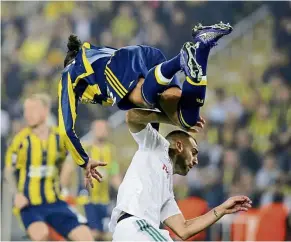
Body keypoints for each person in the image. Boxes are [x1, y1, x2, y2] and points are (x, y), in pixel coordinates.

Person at [58, 22, 233, 185]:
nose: (82, 99)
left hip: (120, 65)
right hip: (146, 60)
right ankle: (202, 46)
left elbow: (66, 130)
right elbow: (149, 115)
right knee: (187, 118)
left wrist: (84, 161)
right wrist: (167, 124)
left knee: (143, 99)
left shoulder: (69, 72)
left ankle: (181, 59)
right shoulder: (96, 58)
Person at [109, 108, 252, 241]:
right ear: (179, 146)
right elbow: (132, 116)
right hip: (136, 227)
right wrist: (177, 120)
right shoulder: (156, 145)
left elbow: (183, 229)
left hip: (133, 232)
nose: (196, 161)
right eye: (194, 152)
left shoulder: (166, 189)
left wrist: (222, 209)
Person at [4, 94, 96, 241]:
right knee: (41, 235)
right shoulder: (20, 141)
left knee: (86, 236)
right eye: (26, 110)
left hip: (56, 202)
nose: (27, 114)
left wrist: (74, 169)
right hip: (30, 205)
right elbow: (8, 171)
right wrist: (16, 194)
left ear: (45, 111)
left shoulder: (59, 137)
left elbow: (73, 157)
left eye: (33, 109)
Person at [61, 119, 121, 240]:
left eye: (103, 128)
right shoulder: (83, 147)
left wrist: (123, 192)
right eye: (98, 128)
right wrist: (64, 190)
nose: (101, 131)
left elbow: (114, 174)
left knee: (105, 234)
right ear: (92, 130)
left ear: (108, 131)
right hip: (85, 200)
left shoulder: (111, 150)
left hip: (105, 201)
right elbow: (68, 169)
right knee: (90, 233)